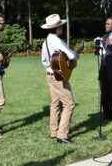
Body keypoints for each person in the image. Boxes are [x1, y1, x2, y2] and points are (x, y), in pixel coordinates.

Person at [41, 14, 78, 144]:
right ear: (58, 28)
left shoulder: (46, 41)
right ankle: (62, 135)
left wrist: (54, 66)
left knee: (55, 104)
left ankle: (54, 132)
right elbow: (70, 54)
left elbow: (44, 61)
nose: (62, 28)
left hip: (50, 75)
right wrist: (75, 55)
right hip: (59, 77)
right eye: (61, 26)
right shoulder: (57, 40)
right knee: (69, 104)